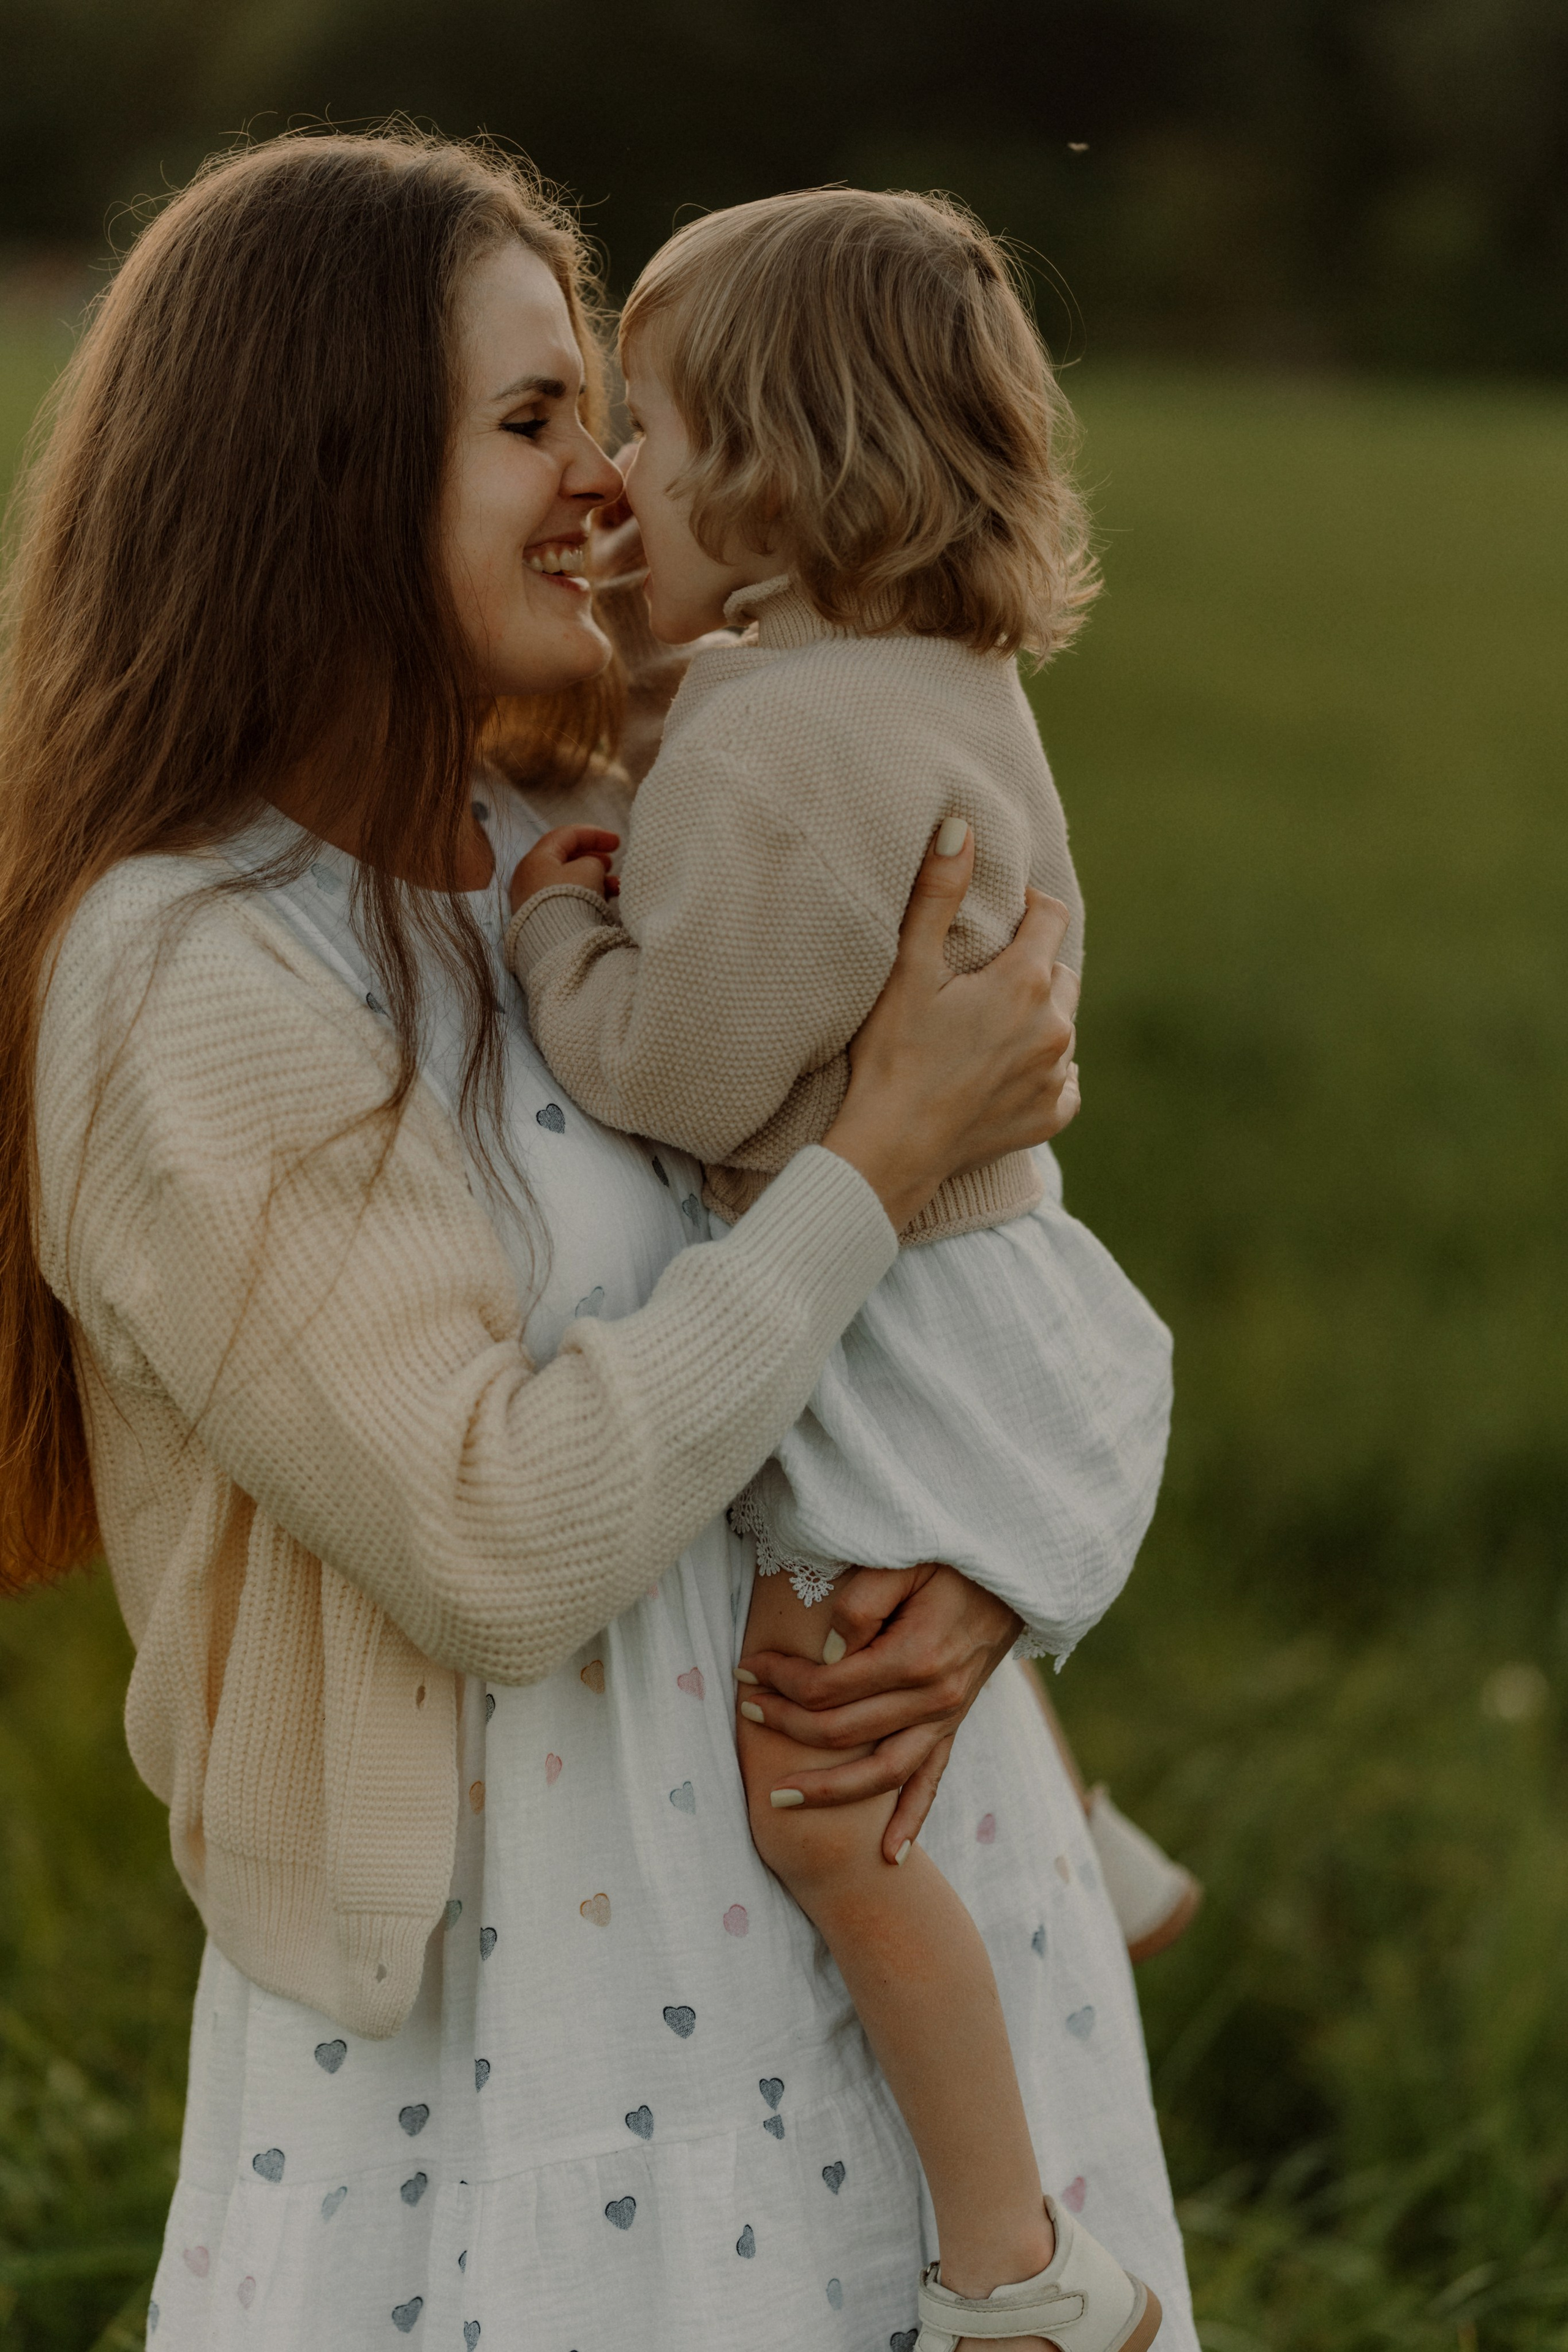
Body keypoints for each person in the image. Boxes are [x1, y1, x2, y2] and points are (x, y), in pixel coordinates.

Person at [0, 129, 1198, 2350]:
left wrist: (989, 1574)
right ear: (324, 468)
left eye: (606, 410)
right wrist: (874, 1157)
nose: (603, 482)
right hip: (545, 2034)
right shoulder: (189, 977)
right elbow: (500, 1540)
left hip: (889, 1907)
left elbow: (976, 1297)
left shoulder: (571, 829)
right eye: (537, 418)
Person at [503, 186, 1170, 2352]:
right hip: (996, 1290)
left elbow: (683, 1071)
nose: (615, 475)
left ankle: (1015, 2269)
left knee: (824, 1815)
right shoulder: (922, 678)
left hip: (889, 1329)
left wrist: (558, 930)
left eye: (648, 426)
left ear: (775, 480)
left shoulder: (781, 743)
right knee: (892, 1701)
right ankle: (1087, 1845)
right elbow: (732, 754)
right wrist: (647, 686)